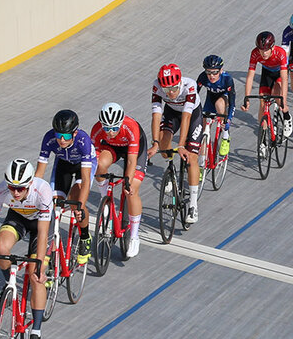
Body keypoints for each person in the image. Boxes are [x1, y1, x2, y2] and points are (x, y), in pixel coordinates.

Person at [0, 159, 54, 339]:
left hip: (41, 223)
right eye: (12, 188)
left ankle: (36, 333)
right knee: (1, 248)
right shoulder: (0, 191)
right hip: (18, 217)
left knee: (35, 276)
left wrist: (39, 263)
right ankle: (10, 284)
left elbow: (43, 232)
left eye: (20, 188)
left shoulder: (42, 190)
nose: (16, 192)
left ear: (30, 183)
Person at [35, 109, 96, 263]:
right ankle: (51, 248)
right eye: (58, 135)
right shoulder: (49, 138)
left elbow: (86, 180)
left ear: (74, 133)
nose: (62, 140)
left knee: (76, 200)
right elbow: (39, 174)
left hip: (83, 166)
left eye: (66, 136)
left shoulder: (83, 141)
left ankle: (85, 237)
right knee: (53, 204)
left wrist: (80, 206)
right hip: (63, 164)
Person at [89, 102, 146, 258]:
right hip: (112, 148)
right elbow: (93, 160)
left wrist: (127, 181)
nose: (110, 132)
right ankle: (105, 201)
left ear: (120, 123)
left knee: (131, 190)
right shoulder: (97, 129)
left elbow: (131, 161)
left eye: (114, 128)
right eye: (107, 128)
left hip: (134, 150)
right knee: (99, 163)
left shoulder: (130, 127)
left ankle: (134, 236)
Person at [149, 63, 203, 224]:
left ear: (179, 83)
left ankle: (193, 205)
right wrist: (155, 143)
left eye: (173, 88)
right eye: (167, 90)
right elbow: (156, 116)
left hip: (192, 115)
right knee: (164, 142)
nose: (171, 93)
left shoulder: (189, 86)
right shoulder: (157, 86)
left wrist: (180, 145)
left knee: (191, 157)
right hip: (172, 113)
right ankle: (170, 170)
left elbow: (186, 117)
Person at [246, 29, 293, 137]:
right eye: (261, 50)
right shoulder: (255, 53)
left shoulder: (280, 53)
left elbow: (284, 79)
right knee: (263, 102)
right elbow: (250, 76)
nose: (264, 53)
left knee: (277, 96)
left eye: (266, 50)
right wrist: (246, 97)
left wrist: (284, 100)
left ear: (272, 47)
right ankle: (263, 135)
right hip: (267, 73)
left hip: (280, 73)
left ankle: (287, 116)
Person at [196, 54, 236, 156]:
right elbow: (194, 96)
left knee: (219, 104)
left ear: (221, 70)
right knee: (204, 131)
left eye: (215, 72)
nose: (211, 76)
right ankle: (203, 162)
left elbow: (232, 103)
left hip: (224, 98)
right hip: (210, 99)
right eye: (208, 72)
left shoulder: (227, 79)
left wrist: (228, 120)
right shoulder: (202, 77)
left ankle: (225, 136)